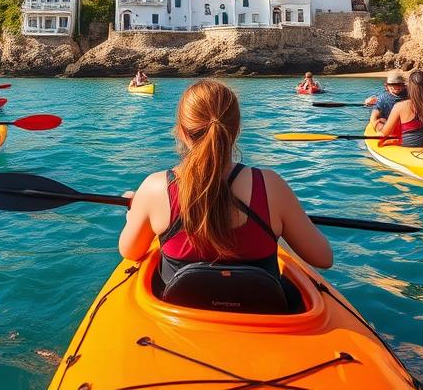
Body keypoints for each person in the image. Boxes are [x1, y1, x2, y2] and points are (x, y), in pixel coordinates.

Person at [118, 80, 332, 308]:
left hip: (181, 323)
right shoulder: (271, 186)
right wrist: (294, 216)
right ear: (237, 129)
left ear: (181, 131)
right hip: (263, 320)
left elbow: (129, 251)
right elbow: (323, 258)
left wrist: (135, 211)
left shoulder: (155, 188)